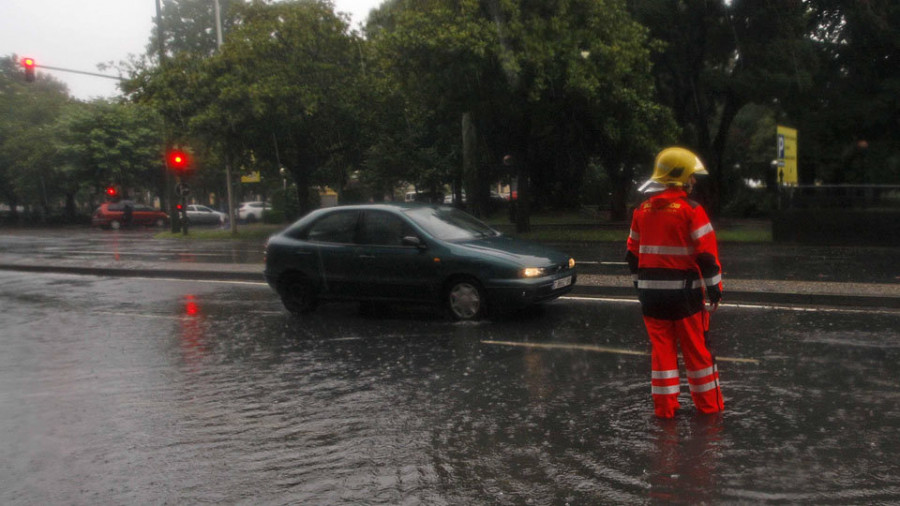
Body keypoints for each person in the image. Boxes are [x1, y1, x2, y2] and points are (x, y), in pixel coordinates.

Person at [626, 147, 724, 418]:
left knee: (662, 355)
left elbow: (631, 256)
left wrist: (640, 287)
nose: (693, 181)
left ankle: (665, 410)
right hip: (686, 297)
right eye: (691, 176)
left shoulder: (641, 210)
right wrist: (715, 290)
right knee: (698, 353)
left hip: (651, 298)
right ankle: (709, 408)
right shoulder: (691, 211)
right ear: (680, 177)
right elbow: (706, 256)